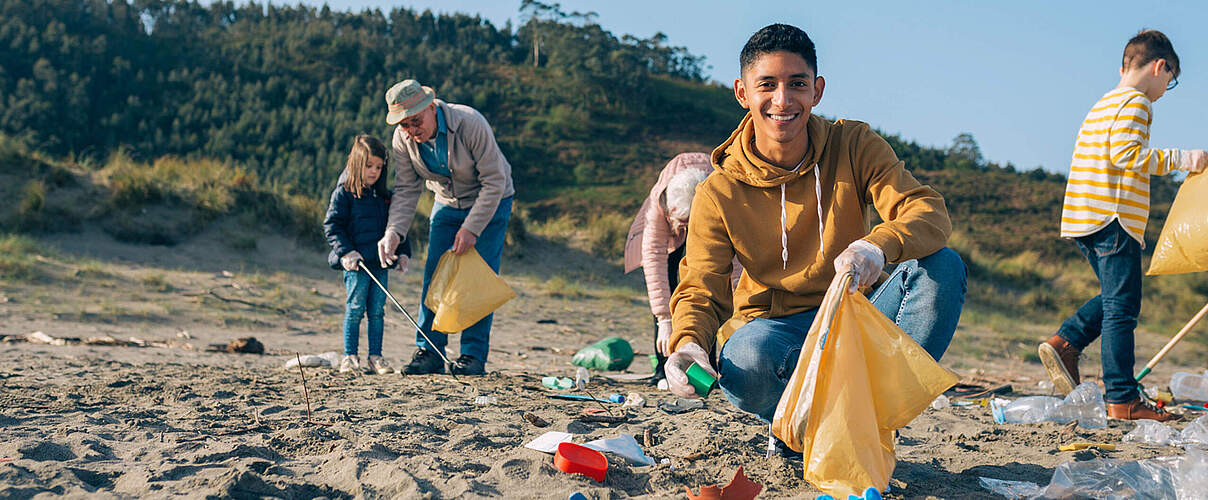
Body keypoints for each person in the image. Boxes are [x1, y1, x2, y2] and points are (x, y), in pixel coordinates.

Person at [663, 24, 967, 431]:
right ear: (742, 93)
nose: (782, 100)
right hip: (776, 334)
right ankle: (800, 426)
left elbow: (926, 211)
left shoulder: (855, 144)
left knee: (942, 268)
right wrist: (688, 343)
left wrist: (876, 247)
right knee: (747, 358)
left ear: (817, 91)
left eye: (797, 84)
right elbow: (701, 286)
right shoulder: (719, 191)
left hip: (858, 314)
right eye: (766, 85)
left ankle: (860, 425)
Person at [1039, 30, 1207, 421]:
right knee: (1123, 308)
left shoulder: (1104, 103)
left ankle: (1066, 343)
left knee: (1119, 298)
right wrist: (1185, 158)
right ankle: (1123, 398)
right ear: (1159, 66)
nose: (1167, 87)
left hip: (1085, 215)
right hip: (1113, 216)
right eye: (1171, 79)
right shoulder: (1137, 103)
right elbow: (1127, 155)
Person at [376, 79, 515, 376]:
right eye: (404, 125)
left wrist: (472, 229)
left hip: (491, 198)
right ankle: (430, 350)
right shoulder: (403, 140)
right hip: (447, 203)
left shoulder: (470, 122)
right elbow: (406, 189)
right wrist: (394, 232)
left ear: (431, 106)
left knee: (477, 279)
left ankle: (472, 356)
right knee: (435, 276)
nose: (412, 130)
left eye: (416, 121)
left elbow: (494, 182)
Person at [624, 153, 742, 389]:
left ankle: (707, 365)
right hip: (667, 236)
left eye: (689, 224)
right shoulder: (659, 207)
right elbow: (654, 262)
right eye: (681, 221)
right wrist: (664, 318)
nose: (684, 229)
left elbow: (736, 258)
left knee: (710, 293)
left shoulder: (721, 200)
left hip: (709, 222)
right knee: (667, 294)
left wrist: (739, 301)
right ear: (670, 209)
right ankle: (663, 367)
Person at [323, 134, 411, 375]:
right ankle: (350, 357)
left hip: (380, 263)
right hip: (356, 265)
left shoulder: (384, 197)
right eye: (368, 166)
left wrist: (403, 253)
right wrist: (346, 252)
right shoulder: (344, 193)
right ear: (356, 164)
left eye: (379, 167)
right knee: (355, 308)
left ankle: (375, 357)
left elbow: (397, 226)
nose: (373, 172)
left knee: (377, 311)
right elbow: (332, 226)